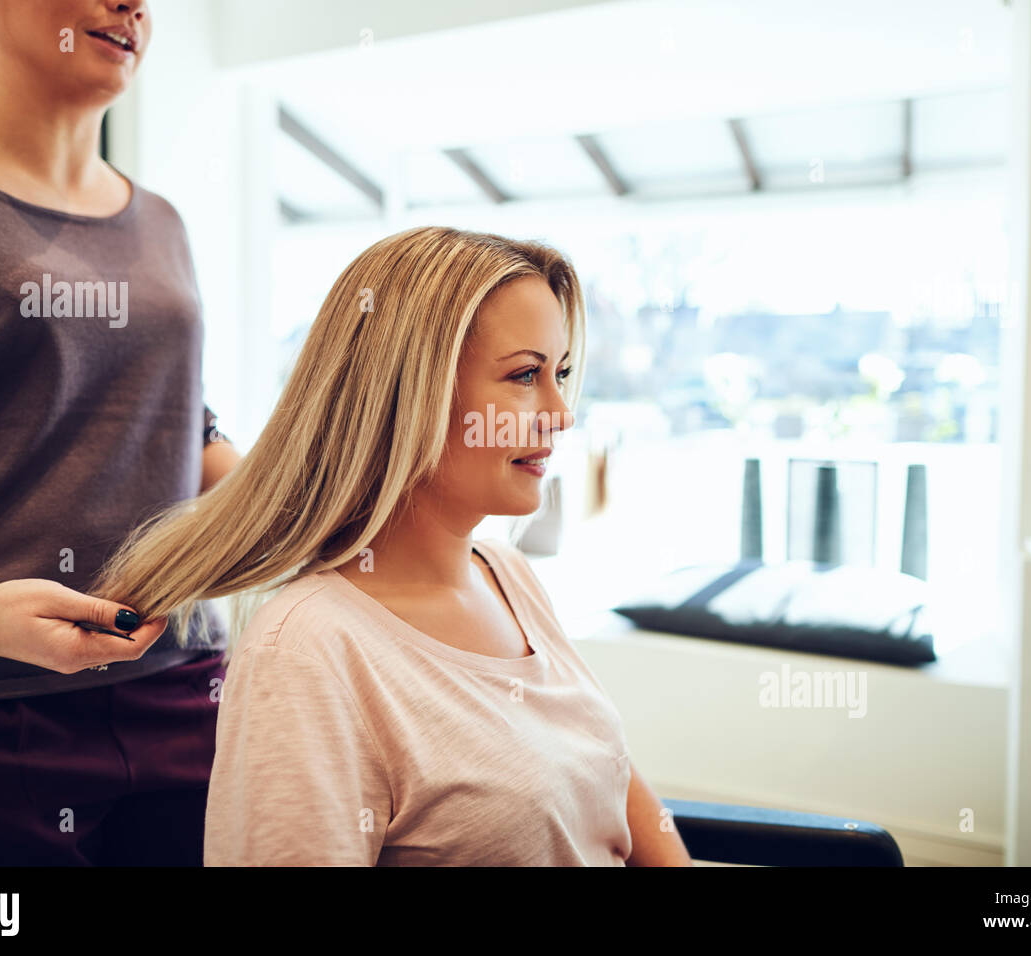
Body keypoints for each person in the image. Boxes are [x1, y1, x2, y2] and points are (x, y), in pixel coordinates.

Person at [92, 226, 695, 865]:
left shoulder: (508, 577)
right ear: (411, 393)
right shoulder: (306, 649)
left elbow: (621, 795)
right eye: (525, 375)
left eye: (562, 373)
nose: (561, 412)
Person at [0, 0, 238, 864]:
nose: (134, 6)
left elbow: (189, 429)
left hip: (183, 694)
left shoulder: (164, 222)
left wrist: (325, 498)